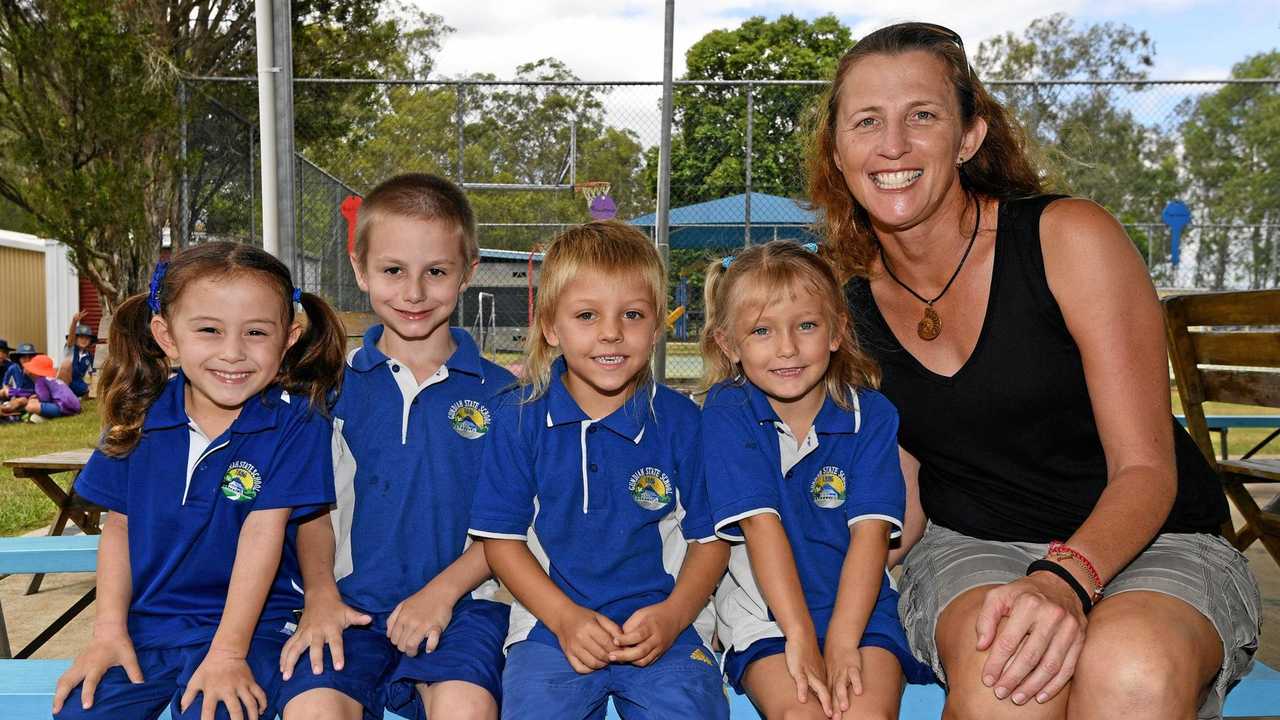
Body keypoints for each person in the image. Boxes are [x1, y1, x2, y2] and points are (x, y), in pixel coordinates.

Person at [811, 22, 1261, 720]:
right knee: (1005, 679)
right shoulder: (851, 306)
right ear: (838, 152)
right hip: (976, 545)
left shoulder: (1069, 239)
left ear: (968, 137)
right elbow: (899, 488)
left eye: (922, 116)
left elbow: (1146, 469)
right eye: (867, 121)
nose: (892, 144)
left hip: (1154, 539)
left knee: (1131, 670)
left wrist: (1063, 579)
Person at [51, 241, 347, 720]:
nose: (233, 353)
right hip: (149, 628)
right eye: (209, 330)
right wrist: (107, 631)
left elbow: (262, 534)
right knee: (81, 709)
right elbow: (119, 530)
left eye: (255, 332)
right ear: (167, 337)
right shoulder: (134, 419)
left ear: (288, 338)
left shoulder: (295, 425)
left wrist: (228, 655)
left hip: (251, 630)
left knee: (216, 709)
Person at [468, 221, 729, 720]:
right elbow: (501, 543)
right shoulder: (519, 419)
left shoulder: (683, 423)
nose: (611, 332)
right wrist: (564, 619)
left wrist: (674, 617)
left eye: (632, 314)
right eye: (587, 315)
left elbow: (711, 539)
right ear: (549, 326)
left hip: (663, 627)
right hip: (549, 627)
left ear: (656, 327)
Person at [278, 173, 514, 720]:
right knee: (311, 711)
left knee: (465, 708)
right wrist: (320, 597)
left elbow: (512, 522)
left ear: (467, 273)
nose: (413, 293)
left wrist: (441, 595)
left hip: (463, 609)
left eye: (435, 272)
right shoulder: (325, 390)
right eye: (392, 271)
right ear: (360, 270)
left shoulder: (507, 397)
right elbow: (308, 509)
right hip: (346, 609)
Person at [699, 241, 934, 720]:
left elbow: (871, 535)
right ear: (728, 344)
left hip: (860, 613)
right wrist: (802, 638)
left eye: (805, 325)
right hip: (767, 618)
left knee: (867, 713)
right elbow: (762, 527)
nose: (787, 348)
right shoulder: (728, 411)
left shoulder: (871, 414)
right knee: (801, 713)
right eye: (761, 331)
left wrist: (845, 643)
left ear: (836, 332)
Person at [16, 353, 81, 422]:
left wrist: (35, 400)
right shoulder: (51, 379)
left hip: (63, 408)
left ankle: (46, 418)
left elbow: (45, 399)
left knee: (30, 406)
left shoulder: (39, 381)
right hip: (75, 406)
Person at [60, 313, 98, 397]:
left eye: (87, 338)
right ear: (76, 338)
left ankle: (76, 397)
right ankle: (63, 395)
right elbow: (70, 340)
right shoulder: (70, 349)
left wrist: (93, 387)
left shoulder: (89, 356)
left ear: (90, 341)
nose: (84, 340)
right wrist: (74, 322)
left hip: (78, 384)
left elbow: (93, 374)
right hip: (65, 381)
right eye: (81, 337)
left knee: (89, 389)